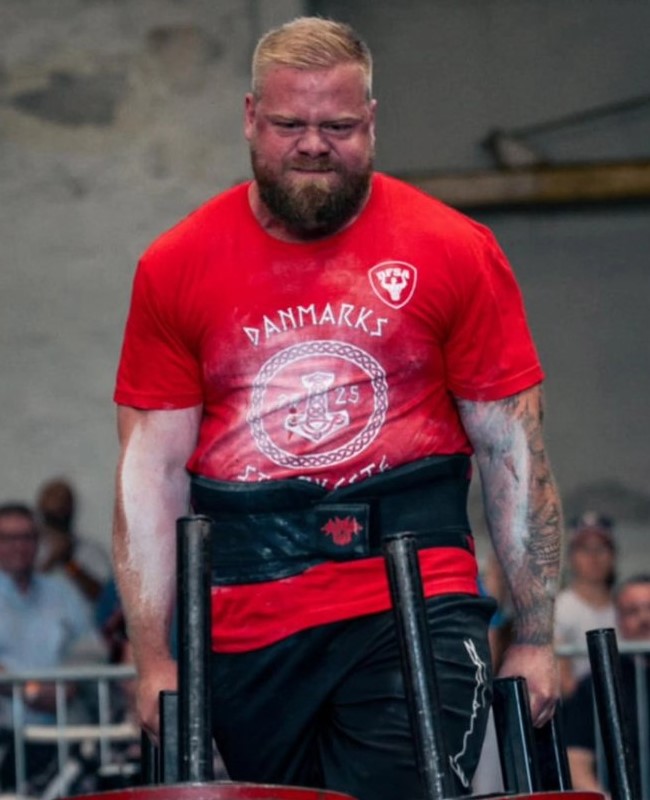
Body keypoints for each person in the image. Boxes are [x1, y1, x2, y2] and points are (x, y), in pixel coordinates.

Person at [112, 16, 562, 800]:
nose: (314, 145)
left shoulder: (453, 249)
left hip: (413, 598)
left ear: (373, 122)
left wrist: (534, 635)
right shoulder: (176, 265)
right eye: (290, 124)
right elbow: (150, 475)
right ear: (251, 116)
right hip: (247, 615)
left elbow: (511, 451)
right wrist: (153, 658)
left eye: (339, 126)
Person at [0, 502, 105, 791]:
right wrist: (29, 691)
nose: (19, 546)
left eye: (27, 537)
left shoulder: (62, 592)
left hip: (64, 730)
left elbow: (92, 649)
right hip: (6, 732)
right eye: (8, 538)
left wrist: (69, 683)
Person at [564, 573, 650, 795]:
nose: (644, 618)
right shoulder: (596, 686)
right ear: (619, 620)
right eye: (632, 611)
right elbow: (575, 763)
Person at [554, 511, 617, 697]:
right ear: (571, 558)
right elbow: (563, 681)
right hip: (581, 705)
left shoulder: (626, 606)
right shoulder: (558, 609)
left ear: (612, 556)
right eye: (584, 549)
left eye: (601, 548)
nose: (593, 557)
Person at [35, 477, 112, 607]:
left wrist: (69, 563)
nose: (58, 507)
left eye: (63, 508)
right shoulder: (25, 550)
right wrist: (51, 561)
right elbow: (15, 592)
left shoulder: (91, 551)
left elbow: (105, 598)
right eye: (51, 515)